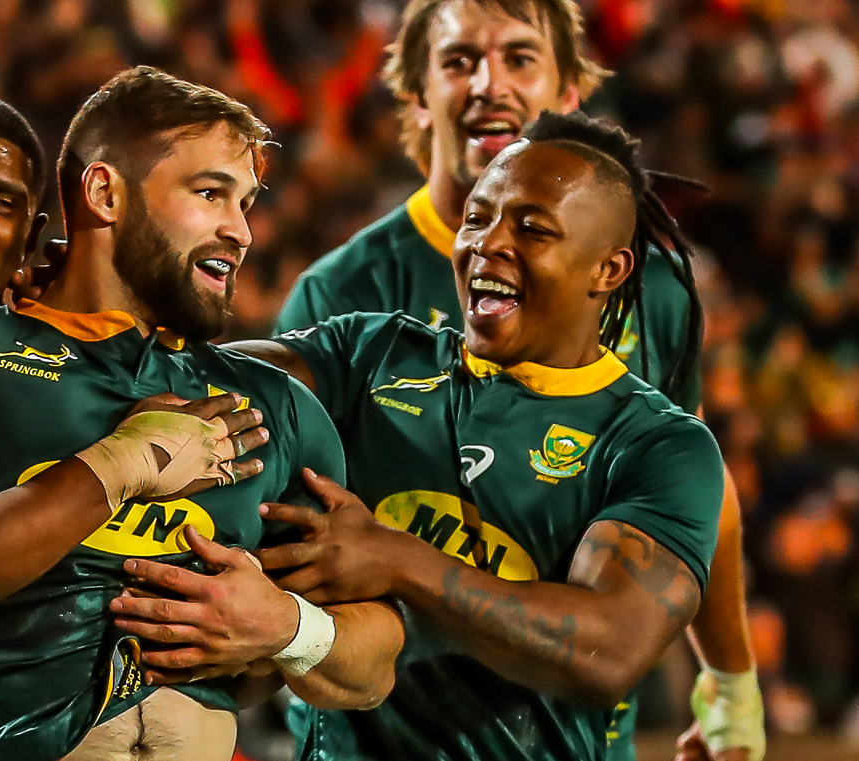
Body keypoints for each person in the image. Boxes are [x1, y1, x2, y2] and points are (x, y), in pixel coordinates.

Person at [0, 66, 406, 761]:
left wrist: (287, 629)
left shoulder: (271, 405)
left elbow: (375, 655)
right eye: (210, 194)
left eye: (245, 202)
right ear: (105, 192)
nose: (239, 230)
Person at [116, 111, 726, 760]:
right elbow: (202, 376)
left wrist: (401, 561)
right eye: (477, 218)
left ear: (608, 269)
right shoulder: (370, 355)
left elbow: (607, 652)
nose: (488, 243)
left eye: (532, 228)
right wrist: (74, 317)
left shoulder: (658, 445)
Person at [274, 1, 762, 759]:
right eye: (460, 59)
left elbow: (702, 498)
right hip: (369, 719)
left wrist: (729, 685)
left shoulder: (656, 294)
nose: (489, 83)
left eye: (520, 58)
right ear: (417, 92)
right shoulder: (347, 294)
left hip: (563, 719)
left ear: (568, 92)